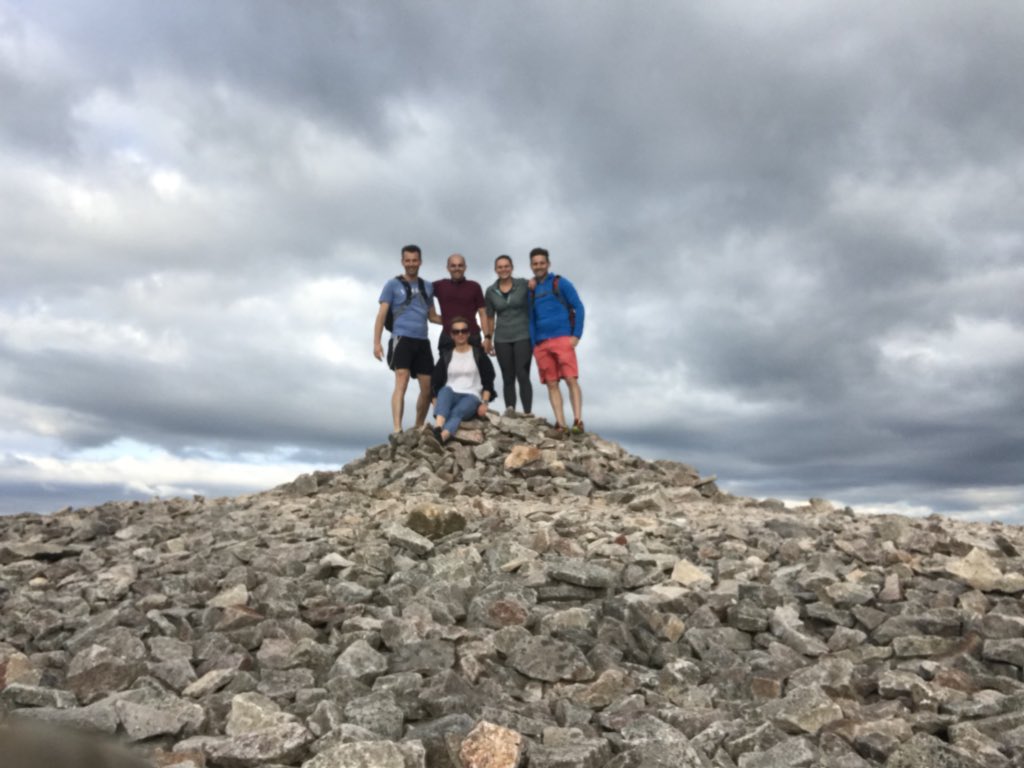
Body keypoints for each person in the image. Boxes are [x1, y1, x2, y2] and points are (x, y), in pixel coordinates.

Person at [373, 244, 440, 433]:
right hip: (401, 338)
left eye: (415, 260)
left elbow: (432, 316)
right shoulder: (392, 284)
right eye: (408, 260)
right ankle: (397, 428)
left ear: (420, 262)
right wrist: (376, 343)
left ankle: (418, 425)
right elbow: (381, 314)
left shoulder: (427, 286)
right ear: (403, 262)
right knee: (401, 380)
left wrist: (455, 321)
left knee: (427, 388)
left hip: (422, 341)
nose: (411, 264)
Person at [528, 247, 586, 433]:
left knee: (570, 379)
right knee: (551, 384)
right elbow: (530, 317)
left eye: (542, 263)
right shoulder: (531, 288)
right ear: (531, 265)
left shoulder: (560, 283)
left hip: (563, 338)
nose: (539, 266)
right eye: (535, 263)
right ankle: (561, 424)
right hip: (541, 343)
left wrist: (576, 335)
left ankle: (578, 421)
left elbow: (579, 307)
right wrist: (533, 344)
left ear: (548, 264)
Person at [430, 316, 497, 443]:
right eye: (456, 332)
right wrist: (435, 403)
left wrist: (485, 403)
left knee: (457, 412)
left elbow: (489, 379)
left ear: (468, 333)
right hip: (450, 395)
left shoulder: (478, 354)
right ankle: (438, 427)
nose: (460, 334)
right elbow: (435, 382)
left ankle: (443, 436)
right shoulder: (446, 356)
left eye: (463, 331)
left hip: (471, 396)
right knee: (445, 390)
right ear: (451, 335)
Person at [484, 254, 533, 414]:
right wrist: (488, 338)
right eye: (500, 267)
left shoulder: (524, 284)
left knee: (522, 373)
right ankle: (510, 410)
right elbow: (490, 317)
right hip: (502, 338)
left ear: (512, 268)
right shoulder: (490, 291)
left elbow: (539, 287)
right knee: (507, 376)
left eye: (506, 266)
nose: (503, 269)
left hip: (523, 335)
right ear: (495, 269)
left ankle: (527, 413)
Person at [432, 253, 487, 350]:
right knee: (445, 365)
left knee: (475, 365)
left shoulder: (474, 286)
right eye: (453, 266)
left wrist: (487, 337)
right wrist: (432, 316)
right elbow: (420, 291)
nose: (457, 268)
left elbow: (483, 313)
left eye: (460, 265)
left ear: (465, 267)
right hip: (448, 336)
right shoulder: (440, 285)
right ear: (448, 268)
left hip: (472, 336)